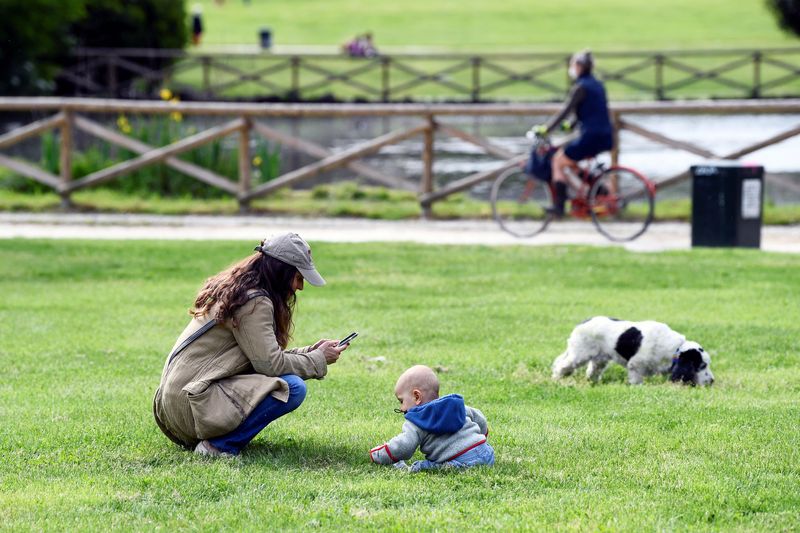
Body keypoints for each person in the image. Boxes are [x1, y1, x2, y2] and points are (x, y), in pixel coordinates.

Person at [153, 233, 349, 457]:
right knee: (292, 388)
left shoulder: (239, 290)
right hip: (192, 407)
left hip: (176, 405)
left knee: (287, 381)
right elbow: (270, 365)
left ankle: (219, 440)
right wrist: (318, 360)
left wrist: (311, 352)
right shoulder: (254, 301)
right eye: (298, 277)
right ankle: (219, 446)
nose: (300, 287)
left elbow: (262, 357)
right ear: (281, 273)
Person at [532, 49, 614, 216]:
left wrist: (546, 129)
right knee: (571, 162)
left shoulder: (580, 87)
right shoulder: (598, 85)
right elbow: (588, 110)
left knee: (557, 161)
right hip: (606, 136)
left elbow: (566, 110)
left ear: (579, 66)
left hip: (590, 136)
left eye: (573, 65)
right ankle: (600, 191)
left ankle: (559, 207)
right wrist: (571, 125)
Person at [369, 365, 494, 472]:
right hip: (486, 454)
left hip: (460, 463)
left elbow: (403, 448)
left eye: (401, 401)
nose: (401, 408)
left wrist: (378, 454)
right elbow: (480, 419)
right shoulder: (454, 406)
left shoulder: (416, 422)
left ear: (417, 396)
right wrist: (481, 436)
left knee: (421, 467)